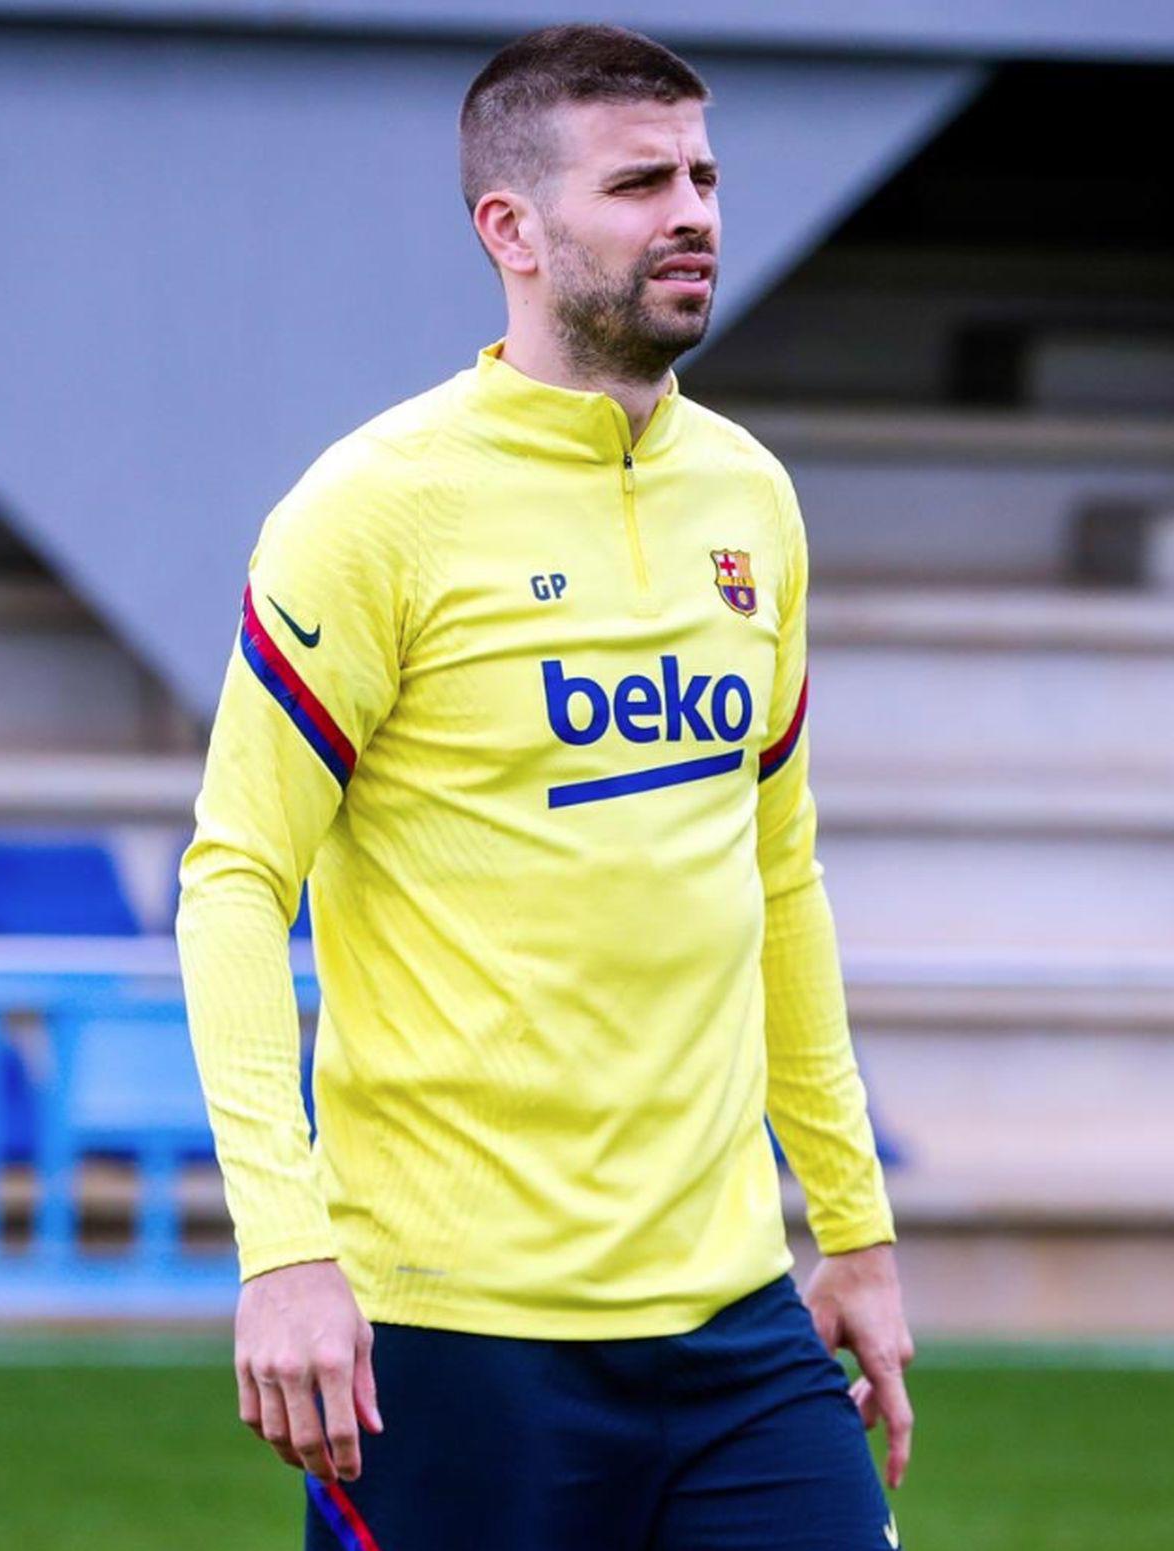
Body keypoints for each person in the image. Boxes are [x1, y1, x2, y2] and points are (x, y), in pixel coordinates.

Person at [177, 22, 914, 1551]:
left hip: (735, 1324)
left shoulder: (750, 498)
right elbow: (236, 878)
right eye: (641, 181)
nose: (695, 210)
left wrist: (853, 1226)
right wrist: (281, 1250)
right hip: (448, 1343)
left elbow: (779, 875)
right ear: (508, 228)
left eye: (705, 174)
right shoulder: (369, 511)